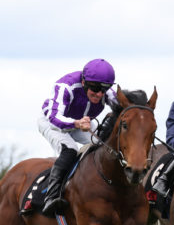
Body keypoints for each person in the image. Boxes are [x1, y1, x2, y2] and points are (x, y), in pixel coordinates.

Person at [38, 58, 117, 216]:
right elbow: (54, 116)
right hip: (53, 123)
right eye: (94, 88)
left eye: (104, 89)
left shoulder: (104, 91)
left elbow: (124, 106)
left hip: (81, 122)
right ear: (84, 82)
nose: (99, 94)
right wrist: (76, 123)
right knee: (70, 150)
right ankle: (51, 197)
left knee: (105, 145)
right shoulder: (65, 86)